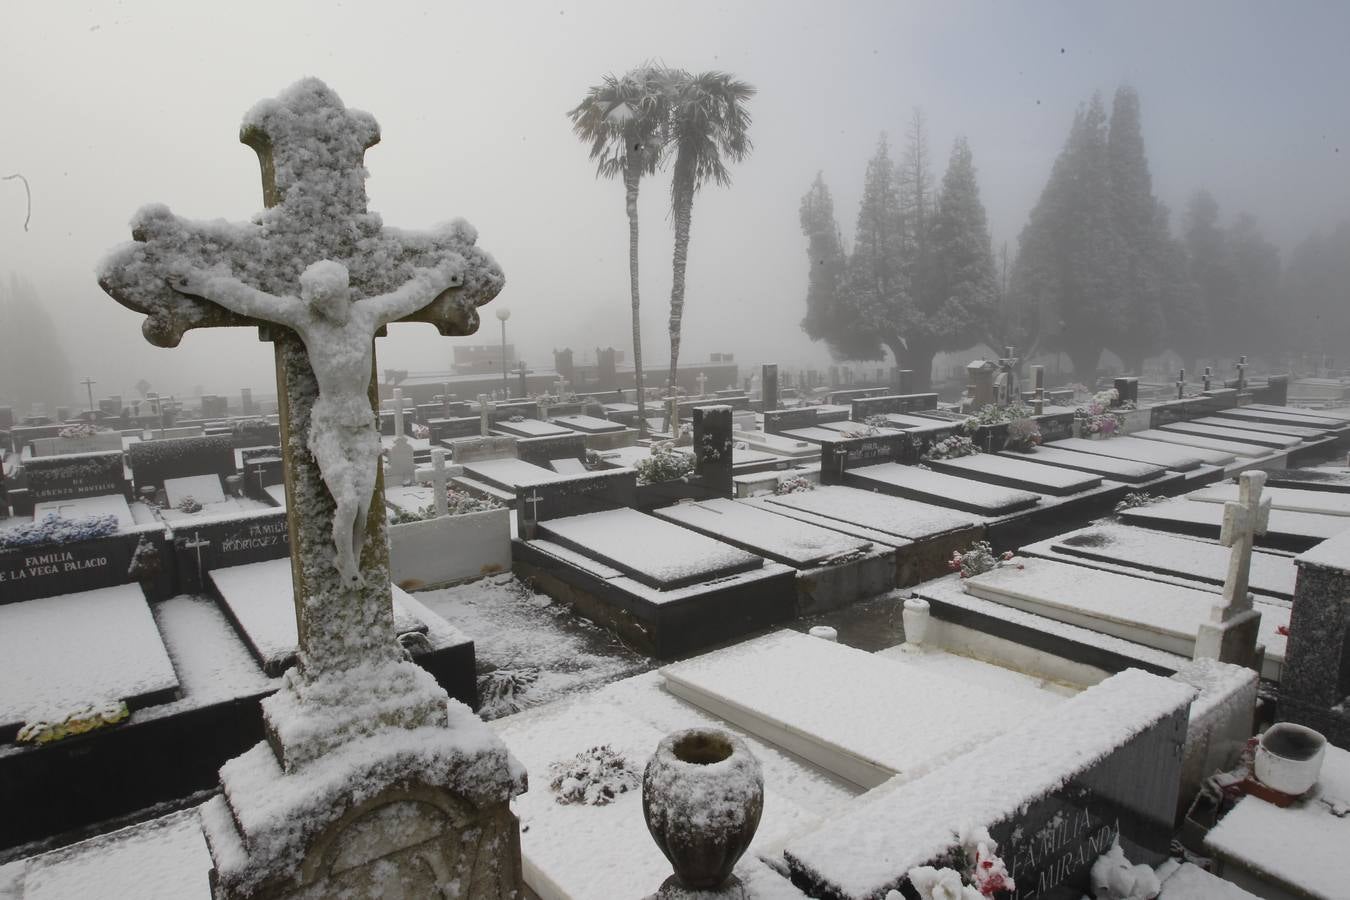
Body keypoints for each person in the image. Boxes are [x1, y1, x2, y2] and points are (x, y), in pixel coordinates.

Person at [170, 259, 456, 585]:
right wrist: (198, 282)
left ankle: (350, 563)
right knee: (347, 502)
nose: (331, 309)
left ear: (345, 293)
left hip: (362, 425)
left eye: (334, 300)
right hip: (330, 426)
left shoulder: (367, 315)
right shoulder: (307, 320)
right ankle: (345, 561)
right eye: (323, 304)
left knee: (363, 508)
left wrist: (442, 281)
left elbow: (409, 297)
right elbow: (251, 300)